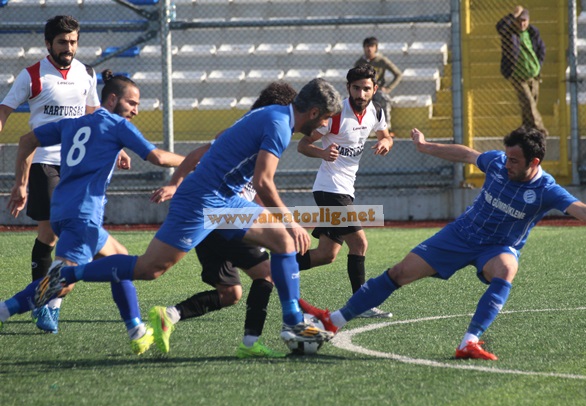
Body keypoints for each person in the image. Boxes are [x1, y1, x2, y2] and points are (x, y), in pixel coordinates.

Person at [35, 78, 343, 353]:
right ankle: (69, 274)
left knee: (283, 241)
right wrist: (292, 221)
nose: (323, 126)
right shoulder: (278, 125)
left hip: (226, 200)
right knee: (149, 268)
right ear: (314, 112)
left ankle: (292, 322)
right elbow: (263, 181)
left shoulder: (274, 116)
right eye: (325, 118)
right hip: (201, 201)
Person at [300, 126, 586, 361]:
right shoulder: (497, 162)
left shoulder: (547, 190)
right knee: (398, 273)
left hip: (497, 247)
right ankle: (333, 320)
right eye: (507, 157)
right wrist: (425, 146)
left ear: (534, 162)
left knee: (506, 269)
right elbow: (466, 154)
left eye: (514, 160)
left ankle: (469, 342)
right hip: (460, 235)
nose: (507, 163)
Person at [0, 71, 184, 355]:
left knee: (119, 258)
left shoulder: (74, 123)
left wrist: (20, 183)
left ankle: (136, 330)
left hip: (62, 210)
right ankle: (4, 310)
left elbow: (26, 140)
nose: (136, 110)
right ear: (112, 99)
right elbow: (157, 157)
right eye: (132, 103)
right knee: (60, 282)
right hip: (82, 214)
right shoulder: (117, 125)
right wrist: (197, 161)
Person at [148, 81, 298, 358]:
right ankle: (250, 344)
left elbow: (255, 186)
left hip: (216, 217)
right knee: (266, 273)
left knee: (230, 293)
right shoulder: (255, 131)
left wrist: (264, 217)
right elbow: (197, 156)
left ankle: (168, 315)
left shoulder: (252, 132)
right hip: (222, 216)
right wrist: (174, 185)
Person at [0, 16, 104, 333]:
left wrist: (117, 148)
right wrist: (20, 183)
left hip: (78, 165)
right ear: (48, 44)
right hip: (44, 163)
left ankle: (49, 305)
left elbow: (94, 115)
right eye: (62, 42)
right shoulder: (32, 75)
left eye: (73, 41)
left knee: (68, 237)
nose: (68, 48)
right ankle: (41, 304)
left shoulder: (87, 74)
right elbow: (4, 110)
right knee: (51, 234)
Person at [295, 64, 394, 318]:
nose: (361, 94)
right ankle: (360, 305)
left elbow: (386, 135)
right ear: (348, 88)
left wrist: (385, 141)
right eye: (356, 88)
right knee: (359, 243)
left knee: (326, 255)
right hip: (330, 189)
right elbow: (303, 145)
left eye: (366, 89)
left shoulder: (376, 111)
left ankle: (276, 267)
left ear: (375, 89)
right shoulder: (336, 115)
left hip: (345, 189)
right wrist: (322, 153)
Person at [497, 6, 547, 135]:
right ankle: (540, 130)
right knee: (529, 103)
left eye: (524, 21)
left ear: (528, 21)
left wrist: (538, 66)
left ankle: (527, 131)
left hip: (534, 75)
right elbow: (500, 27)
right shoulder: (510, 33)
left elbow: (541, 49)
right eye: (518, 21)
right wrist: (514, 15)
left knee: (529, 108)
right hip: (518, 76)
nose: (521, 24)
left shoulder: (532, 33)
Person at [354, 37, 402, 135]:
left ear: (376, 48)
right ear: (363, 48)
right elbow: (353, 79)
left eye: (372, 46)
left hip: (377, 90)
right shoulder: (359, 63)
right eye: (367, 46)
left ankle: (387, 129)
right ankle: (358, 129)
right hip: (363, 91)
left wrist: (388, 88)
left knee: (384, 99)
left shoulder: (381, 60)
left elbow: (398, 74)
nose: (369, 49)